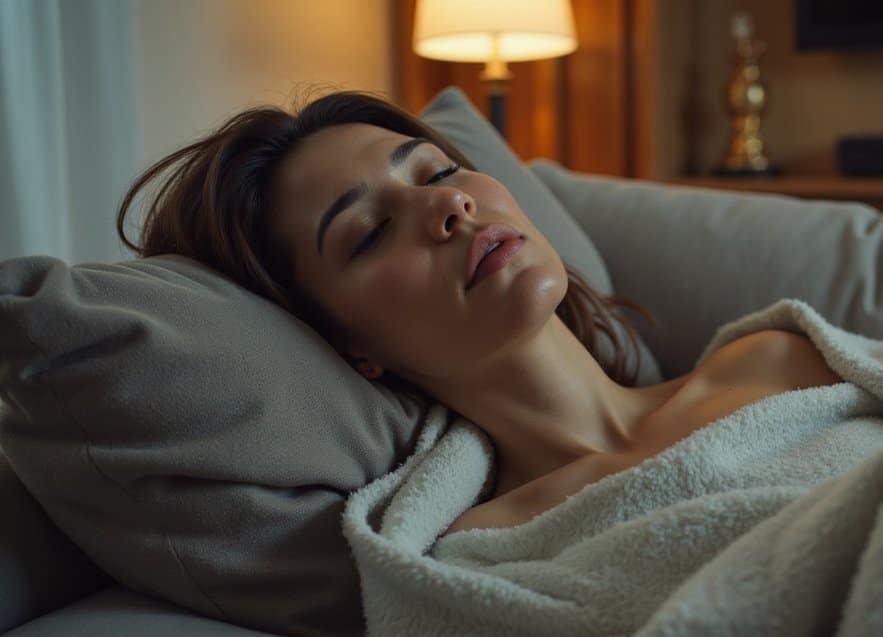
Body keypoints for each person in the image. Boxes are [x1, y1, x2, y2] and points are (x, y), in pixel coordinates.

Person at [118, 90, 840, 533]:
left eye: (437, 171)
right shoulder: (492, 545)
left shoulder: (782, 356)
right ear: (347, 345)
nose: (446, 204)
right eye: (368, 232)